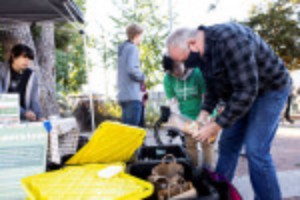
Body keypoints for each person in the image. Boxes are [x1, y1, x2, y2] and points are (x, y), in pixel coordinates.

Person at [166, 23, 291, 200]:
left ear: (192, 43)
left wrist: (216, 125)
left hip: (270, 90)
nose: (184, 65)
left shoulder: (230, 40)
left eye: (184, 59)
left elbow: (247, 90)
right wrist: (203, 115)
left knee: (256, 149)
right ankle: (220, 194)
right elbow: (212, 88)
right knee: (228, 145)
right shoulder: (203, 54)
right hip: (240, 94)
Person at [162, 55, 215, 167]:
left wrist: (205, 119)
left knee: (207, 144)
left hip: (204, 114)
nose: (174, 73)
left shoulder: (198, 72)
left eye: (176, 67)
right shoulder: (168, 78)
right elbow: (173, 103)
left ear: (182, 61)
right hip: (186, 117)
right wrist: (180, 122)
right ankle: (193, 171)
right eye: (170, 71)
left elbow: (207, 98)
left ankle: (208, 172)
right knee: (190, 146)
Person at [0, 44, 44, 122]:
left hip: (23, 119)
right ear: (13, 56)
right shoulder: (2, 71)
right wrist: (23, 112)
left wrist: (40, 116)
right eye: (24, 57)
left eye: (29, 58)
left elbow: (34, 100)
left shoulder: (31, 75)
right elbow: (1, 98)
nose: (27, 61)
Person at [117, 24, 145, 126]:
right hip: (132, 95)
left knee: (127, 131)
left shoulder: (123, 49)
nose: (141, 39)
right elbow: (132, 70)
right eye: (141, 36)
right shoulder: (132, 48)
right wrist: (143, 76)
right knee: (132, 132)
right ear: (136, 35)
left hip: (124, 95)